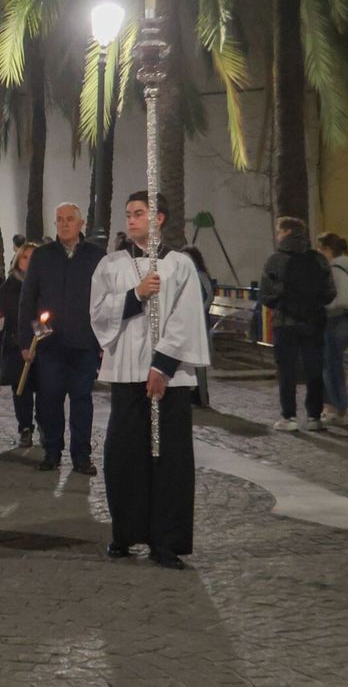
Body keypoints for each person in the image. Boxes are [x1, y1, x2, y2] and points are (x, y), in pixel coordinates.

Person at [91, 192, 210, 570]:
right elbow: (97, 311)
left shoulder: (180, 265)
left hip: (169, 378)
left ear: (159, 218)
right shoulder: (111, 265)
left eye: (139, 213)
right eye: (129, 214)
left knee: (170, 460)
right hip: (127, 372)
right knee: (124, 456)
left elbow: (187, 316)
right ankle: (125, 533)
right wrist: (135, 295)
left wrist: (162, 366)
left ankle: (167, 541)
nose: (132, 220)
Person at [19, 203, 105, 474]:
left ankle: (81, 457)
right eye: (59, 220)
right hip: (50, 345)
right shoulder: (42, 256)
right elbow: (28, 299)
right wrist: (26, 340)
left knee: (82, 401)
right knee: (50, 401)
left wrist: (103, 341)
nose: (64, 224)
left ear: (82, 223)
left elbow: (105, 300)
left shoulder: (97, 256)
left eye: (70, 219)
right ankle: (52, 452)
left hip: (84, 344)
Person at [260, 217, 334, 432]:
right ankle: (314, 417)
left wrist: (283, 300)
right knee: (314, 369)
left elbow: (266, 295)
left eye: (279, 232)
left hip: (285, 323)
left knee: (286, 370)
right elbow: (330, 293)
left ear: (288, 232)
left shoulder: (275, 260)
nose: (277, 236)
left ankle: (289, 417)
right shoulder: (318, 259)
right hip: (313, 322)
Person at [0, 242, 38, 446]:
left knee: (46, 390)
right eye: (25, 257)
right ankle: (25, 427)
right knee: (22, 390)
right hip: (14, 346)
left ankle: (46, 427)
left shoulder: (44, 284)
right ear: (18, 260)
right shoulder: (8, 287)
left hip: (40, 345)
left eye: (33, 256)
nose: (29, 261)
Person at [317, 232, 348, 424]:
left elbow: (341, 300)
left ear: (327, 250)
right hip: (339, 322)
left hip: (335, 321)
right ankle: (335, 407)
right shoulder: (345, 267)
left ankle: (337, 408)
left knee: (331, 366)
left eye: (320, 249)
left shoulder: (336, 269)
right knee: (332, 365)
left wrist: (322, 306)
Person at [180, 245, 215, 407]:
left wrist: (198, 312)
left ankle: (202, 396)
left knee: (198, 363)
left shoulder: (200, 276)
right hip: (187, 323)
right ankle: (192, 393)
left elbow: (209, 296)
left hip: (199, 324)